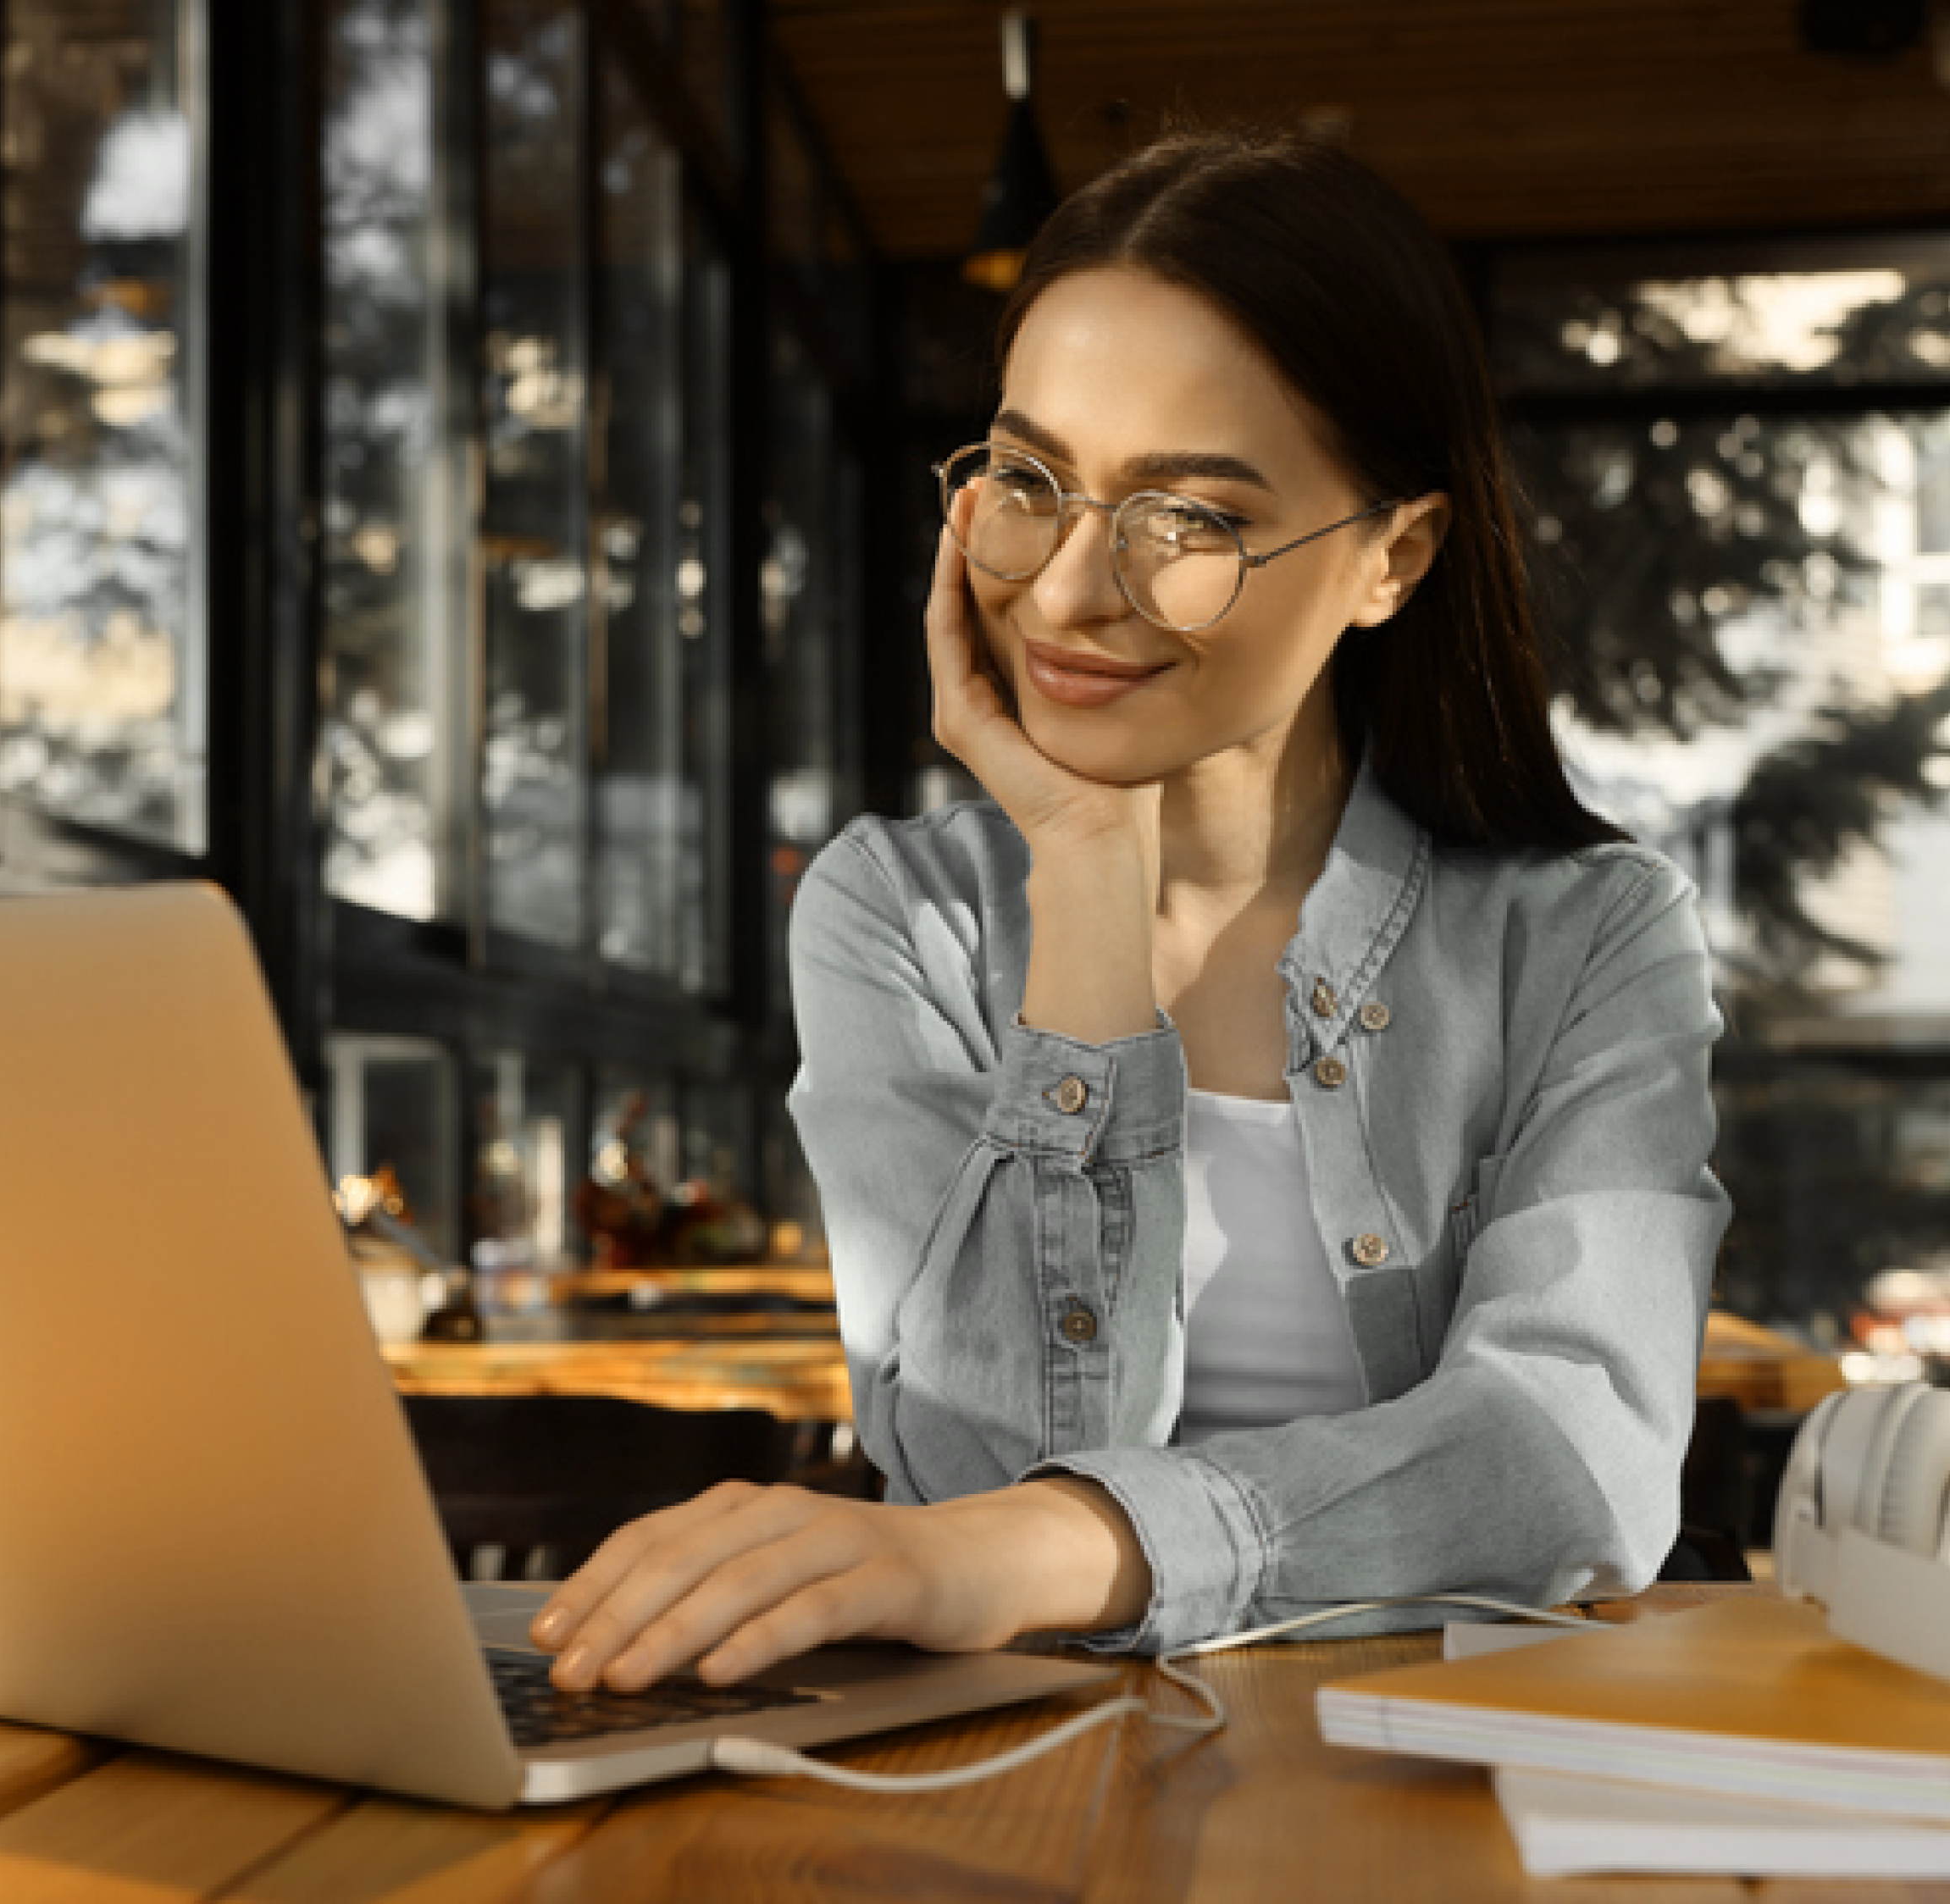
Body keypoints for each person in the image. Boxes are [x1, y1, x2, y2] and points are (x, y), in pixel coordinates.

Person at [529, 129, 1731, 1696]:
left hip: (1441, 1789)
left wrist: (1059, 1548)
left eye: (1190, 521)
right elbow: (981, 1461)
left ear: (1393, 557)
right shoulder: (901, 916)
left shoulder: (1585, 936)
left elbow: (1573, 1459)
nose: (1071, 590)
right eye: (1030, 483)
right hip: (1008, 1788)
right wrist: (1086, 875)